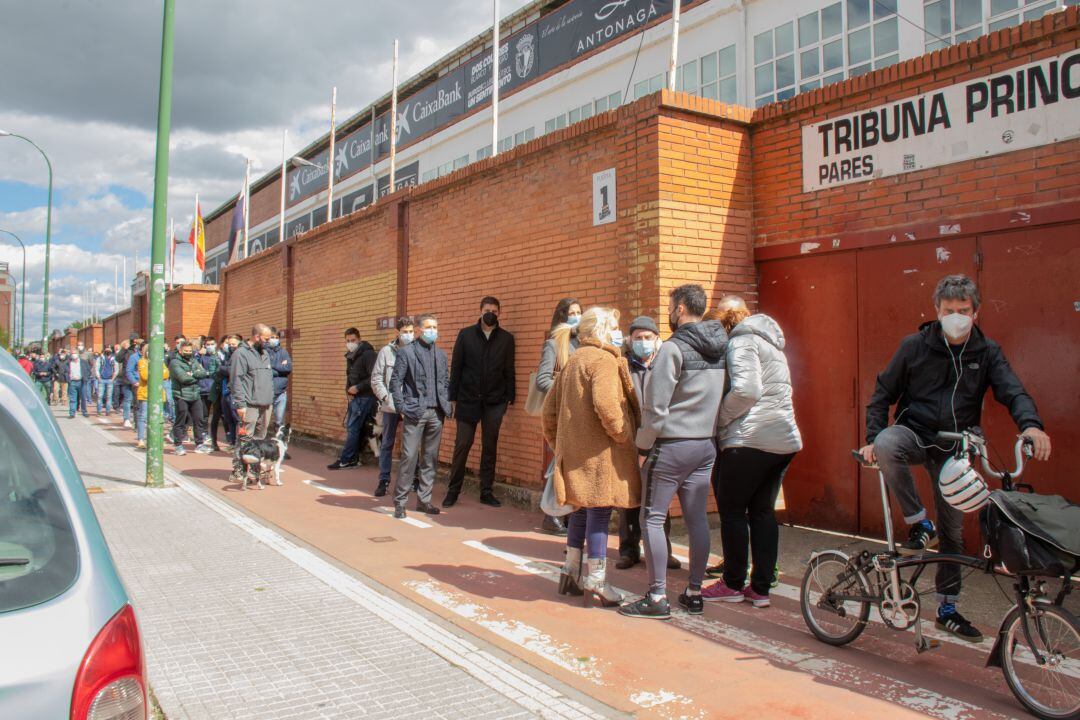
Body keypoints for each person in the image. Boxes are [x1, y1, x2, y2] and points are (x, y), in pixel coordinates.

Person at [859, 274, 1050, 641]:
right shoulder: (914, 346)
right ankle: (918, 522)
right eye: (949, 311)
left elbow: (1013, 391)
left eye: (963, 311)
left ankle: (947, 608)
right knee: (886, 444)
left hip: (956, 448)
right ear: (937, 311)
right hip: (915, 434)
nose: (956, 317)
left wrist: (1032, 426)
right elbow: (883, 393)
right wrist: (871, 438)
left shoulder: (987, 351)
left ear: (976, 313)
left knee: (953, 532)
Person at [620, 284, 727, 620]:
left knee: (651, 517)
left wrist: (642, 445)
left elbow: (656, 407)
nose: (668, 311)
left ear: (680, 309)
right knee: (697, 519)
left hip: (671, 445)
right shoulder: (722, 347)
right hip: (705, 444)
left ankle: (656, 597)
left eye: (670, 306)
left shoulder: (673, 348)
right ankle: (694, 592)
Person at [699, 297, 802, 609]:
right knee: (762, 512)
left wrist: (720, 419)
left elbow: (746, 390)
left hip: (749, 439)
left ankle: (731, 582)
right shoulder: (771, 343)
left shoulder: (741, 341)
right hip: (782, 441)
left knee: (731, 512)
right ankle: (760, 588)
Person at [543, 307, 639, 607]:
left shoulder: (574, 360)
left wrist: (561, 443)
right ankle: (596, 578)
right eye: (613, 326)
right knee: (598, 511)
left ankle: (570, 571)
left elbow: (548, 412)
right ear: (602, 330)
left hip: (574, 452)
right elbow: (608, 407)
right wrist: (625, 436)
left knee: (581, 511)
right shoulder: (604, 360)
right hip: (601, 454)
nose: (617, 333)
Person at [616, 316, 680, 571]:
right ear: (630, 340)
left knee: (658, 500)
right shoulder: (624, 367)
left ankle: (663, 549)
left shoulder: (663, 364)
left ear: (657, 339)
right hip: (631, 440)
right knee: (629, 498)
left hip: (659, 440)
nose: (643, 342)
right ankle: (628, 550)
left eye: (648, 337)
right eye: (638, 338)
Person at [444, 296, 515, 508]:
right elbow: (456, 367)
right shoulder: (466, 335)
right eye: (487, 309)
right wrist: (452, 397)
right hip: (467, 400)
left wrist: (510, 397)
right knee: (462, 444)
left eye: (494, 310)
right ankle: (453, 491)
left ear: (499, 313)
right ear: (480, 310)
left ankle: (486, 491)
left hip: (495, 401)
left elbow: (509, 369)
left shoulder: (506, 339)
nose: (490, 313)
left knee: (490, 446)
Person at [388, 313, 449, 519]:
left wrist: (447, 403)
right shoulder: (407, 353)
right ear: (419, 330)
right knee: (409, 457)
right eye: (429, 327)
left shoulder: (441, 355)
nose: (433, 331)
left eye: (435, 327)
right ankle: (400, 502)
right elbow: (395, 382)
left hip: (436, 412)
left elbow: (445, 382)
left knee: (430, 459)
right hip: (415, 412)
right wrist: (402, 408)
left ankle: (424, 500)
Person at [534, 297, 582, 536]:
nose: (576, 316)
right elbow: (543, 380)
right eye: (571, 313)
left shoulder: (584, 343)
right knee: (559, 464)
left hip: (580, 415)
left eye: (579, 312)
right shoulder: (553, 344)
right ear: (562, 317)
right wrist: (567, 385)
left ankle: (565, 513)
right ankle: (551, 516)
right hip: (562, 413)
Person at [371, 317, 415, 496]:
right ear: (397, 332)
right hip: (390, 407)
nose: (408, 335)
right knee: (387, 443)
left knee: (412, 445)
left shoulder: (417, 351)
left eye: (411, 331)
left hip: (411, 406)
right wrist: (386, 398)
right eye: (405, 332)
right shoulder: (386, 352)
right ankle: (384, 480)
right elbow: (376, 379)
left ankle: (412, 479)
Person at [327, 327, 378, 470]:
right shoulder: (352, 355)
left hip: (365, 398)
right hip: (356, 398)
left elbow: (374, 377)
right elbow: (352, 376)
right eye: (348, 341)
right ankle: (354, 458)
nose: (350, 343)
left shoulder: (368, 355)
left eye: (353, 340)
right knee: (357, 429)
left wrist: (358, 387)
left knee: (353, 428)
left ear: (359, 340)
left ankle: (346, 459)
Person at [230, 325, 274, 441]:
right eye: (266, 339)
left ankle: (255, 459)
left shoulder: (265, 354)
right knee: (245, 438)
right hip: (250, 404)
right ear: (257, 337)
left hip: (266, 403)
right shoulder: (241, 354)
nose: (268, 342)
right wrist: (240, 404)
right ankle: (241, 458)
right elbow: (236, 380)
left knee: (260, 438)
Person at [169, 339, 211, 455]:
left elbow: (203, 373)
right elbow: (182, 378)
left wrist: (192, 374)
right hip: (181, 395)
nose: (188, 352)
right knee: (180, 421)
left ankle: (199, 444)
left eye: (190, 350)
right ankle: (178, 445)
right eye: (186, 351)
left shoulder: (193, 360)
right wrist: (195, 375)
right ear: (180, 350)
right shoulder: (175, 362)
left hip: (195, 394)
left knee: (199, 419)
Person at [135, 349, 169, 449]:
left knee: (159, 418)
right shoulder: (142, 361)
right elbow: (145, 376)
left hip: (159, 394)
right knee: (143, 417)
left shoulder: (160, 361)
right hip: (145, 394)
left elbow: (166, 374)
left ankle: (158, 439)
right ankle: (141, 439)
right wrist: (157, 371)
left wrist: (155, 372)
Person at [195, 338, 220, 448]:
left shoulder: (219, 356)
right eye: (207, 344)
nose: (210, 346)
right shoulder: (201, 357)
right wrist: (198, 355)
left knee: (217, 415)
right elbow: (197, 369)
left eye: (212, 344)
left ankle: (215, 440)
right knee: (204, 415)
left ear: (216, 344)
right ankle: (204, 433)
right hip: (204, 389)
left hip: (216, 389)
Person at [267, 327, 292, 436]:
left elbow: (288, 368)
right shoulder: (264, 352)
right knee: (264, 421)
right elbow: (264, 371)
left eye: (276, 337)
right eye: (272, 337)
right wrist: (279, 368)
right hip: (267, 392)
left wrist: (272, 366)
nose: (274, 339)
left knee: (279, 422)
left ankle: (279, 444)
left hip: (281, 392)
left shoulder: (283, 352)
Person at [58, 348, 92, 418]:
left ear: (78, 354)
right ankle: (72, 413)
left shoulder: (83, 362)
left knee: (83, 398)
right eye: (72, 353)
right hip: (72, 382)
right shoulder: (68, 363)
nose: (74, 355)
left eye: (75, 353)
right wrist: (68, 379)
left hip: (81, 382)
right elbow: (64, 372)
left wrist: (86, 378)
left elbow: (88, 370)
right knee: (73, 399)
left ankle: (84, 411)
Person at [95, 348, 119, 416]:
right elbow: (97, 368)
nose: (107, 352)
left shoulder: (114, 359)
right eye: (106, 351)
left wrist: (113, 378)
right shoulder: (100, 358)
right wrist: (98, 377)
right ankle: (99, 411)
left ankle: (107, 411)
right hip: (101, 379)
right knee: (100, 396)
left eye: (109, 351)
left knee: (109, 396)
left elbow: (116, 369)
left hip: (110, 380)